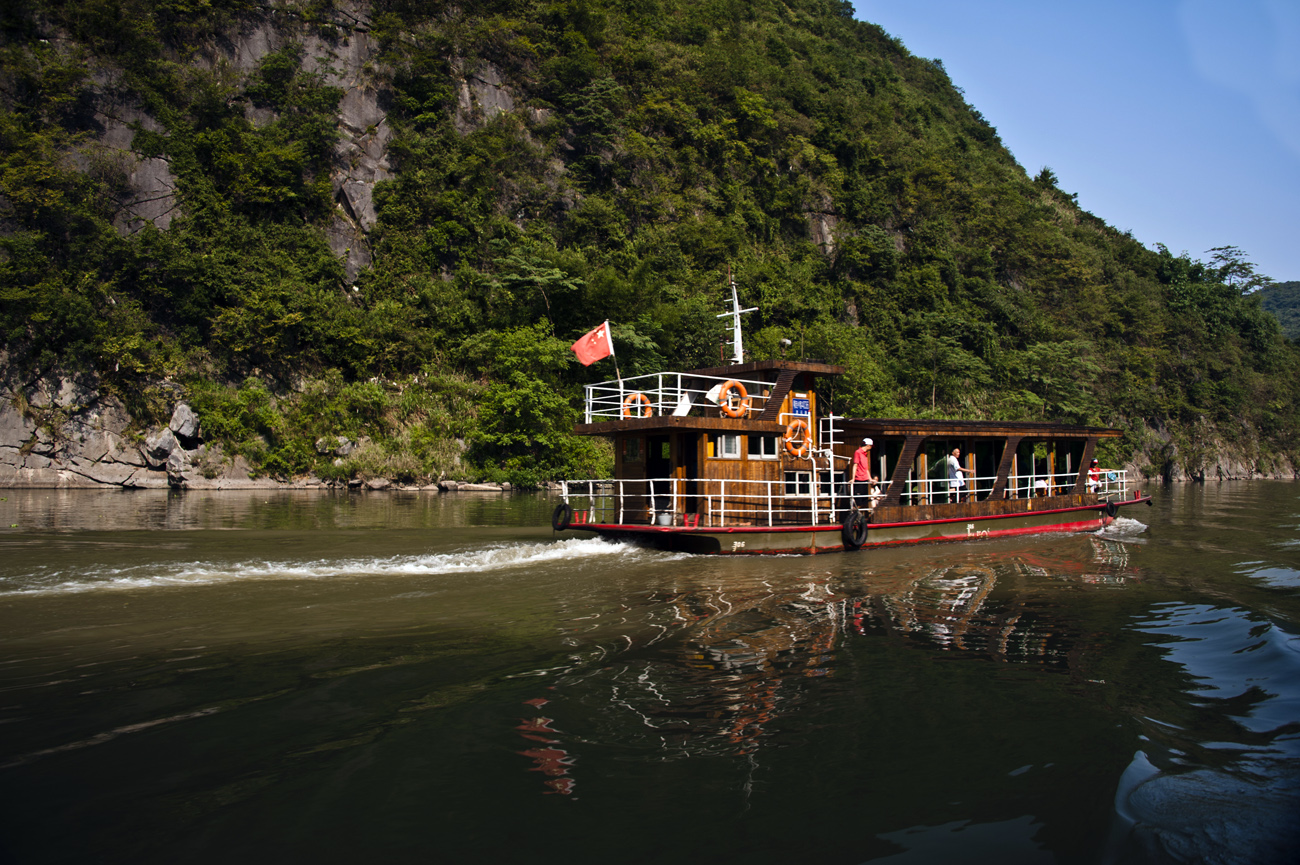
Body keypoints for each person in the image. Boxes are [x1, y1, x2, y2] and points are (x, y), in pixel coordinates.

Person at [851, 437, 876, 509]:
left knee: (863, 501)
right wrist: (853, 479)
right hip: (859, 479)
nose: (871, 448)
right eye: (871, 446)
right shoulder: (858, 452)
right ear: (868, 446)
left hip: (865, 480)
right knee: (857, 502)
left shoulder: (865, 454)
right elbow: (855, 465)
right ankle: (853, 518)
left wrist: (870, 479)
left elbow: (866, 469)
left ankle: (858, 517)